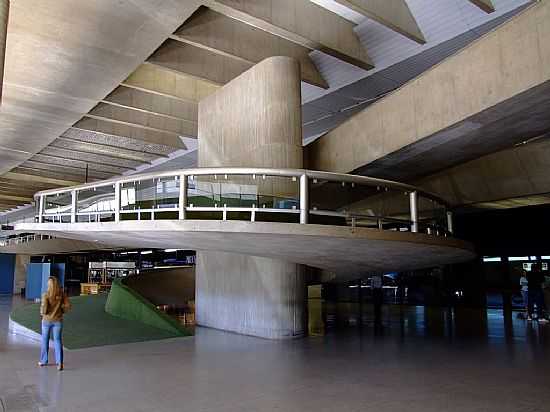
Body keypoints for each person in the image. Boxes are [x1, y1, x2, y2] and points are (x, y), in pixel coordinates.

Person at [38, 277, 71, 370]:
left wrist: (42, 312)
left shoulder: (45, 295)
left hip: (46, 321)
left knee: (45, 340)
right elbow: (68, 306)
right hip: (58, 321)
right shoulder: (61, 294)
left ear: (49, 285)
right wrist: (61, 310)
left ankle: (43, 361)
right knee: (57, 341)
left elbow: (43, 311)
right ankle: (59, 363)